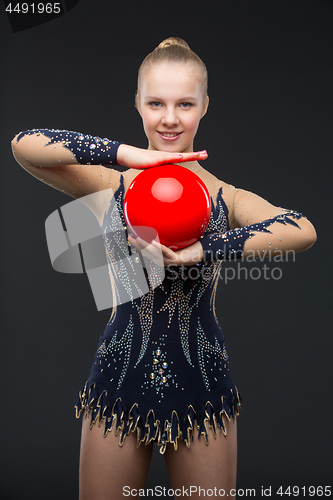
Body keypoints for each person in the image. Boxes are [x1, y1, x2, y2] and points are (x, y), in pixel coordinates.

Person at [11, 37, 316, 499]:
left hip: (202, 383)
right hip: (119, 376)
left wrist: (206, 249)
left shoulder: (226, 197)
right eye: (156, 103)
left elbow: (302, 229)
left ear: (205, 107)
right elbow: (24, 146)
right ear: (137, 104)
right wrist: (126, 155)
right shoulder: (111, 183)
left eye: (185, 104)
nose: (170, 118)